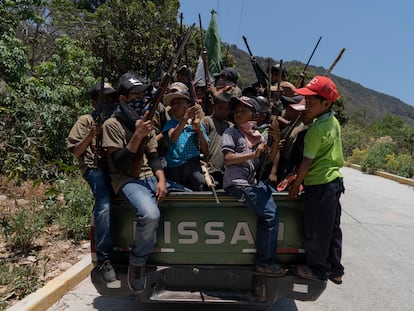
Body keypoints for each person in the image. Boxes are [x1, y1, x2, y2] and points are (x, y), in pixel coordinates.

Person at [101, 72, 187, 292]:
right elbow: (119, 163)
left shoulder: (146, 123)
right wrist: (136, 136)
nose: (141, 99)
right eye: (135, 96)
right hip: (127, 180)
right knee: (150, 214)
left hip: (150, 177)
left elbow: (154, 157)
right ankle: (137, 262)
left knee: (190, 196)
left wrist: (161, 179)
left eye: (143, 95)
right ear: (123, 99)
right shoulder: (112, 124)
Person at [287, 76, 345, 285]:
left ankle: (317, 269)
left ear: (326, 103)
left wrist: (295, 187)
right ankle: (336, 269)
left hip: (319, 186)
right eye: (306, 102)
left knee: (316, 230)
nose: (306, 106)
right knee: (332, 228)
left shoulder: (316, 130)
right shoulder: (332, 121)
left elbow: (306, 164)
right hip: (335, 183)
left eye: (311, 103)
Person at [221, 96, 286, 276]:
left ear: (255, 116)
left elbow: (272, 158)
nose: (238, 113)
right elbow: (227, 158)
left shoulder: (258, 135)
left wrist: (275, 139)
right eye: (236, 110)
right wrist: (251, 156)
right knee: (270, 214)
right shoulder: (230, 132)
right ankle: (265, 263)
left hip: (252, 184)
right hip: (237, 184)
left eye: (243, 110)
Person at [67, 82, 117, 282]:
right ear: (94, 102)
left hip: (114, 169)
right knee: (103, 204)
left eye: (111, 98)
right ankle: (104, 258)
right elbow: (76, 151)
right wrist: (91, 136)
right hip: (93, 169)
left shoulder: (115, 120)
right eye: (104, 98)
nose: (108, 102)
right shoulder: (86, 120)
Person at [162, 90, 209, 191]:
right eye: (173, 104)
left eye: (179, 103)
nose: (175, 106)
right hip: (174, 168)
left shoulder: (197, 124)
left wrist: (200, 130)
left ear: (188, 105)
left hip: (192, 166)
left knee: (198, 190)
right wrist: (184, 119)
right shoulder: (171, 123)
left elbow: (205, 149)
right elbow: (173, 137)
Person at [202, 92, 233, 188]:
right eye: (220, 108)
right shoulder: (207, 121)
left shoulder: (231, 126)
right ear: (214, 106)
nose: (223, 112)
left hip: (225, 171)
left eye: (227, 110)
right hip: (209, 168)